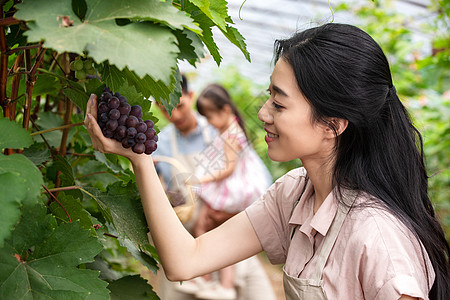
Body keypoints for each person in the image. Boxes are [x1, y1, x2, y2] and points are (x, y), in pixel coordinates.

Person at [84, 23, 450, 300]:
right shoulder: (293, 194)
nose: (262, 113)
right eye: (268, 97)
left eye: (279, 103)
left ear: (332, 125)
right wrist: (140, 160)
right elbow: (185, 259)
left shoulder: (378, 238)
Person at [151, 75, 277, 300]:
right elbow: (167, 197)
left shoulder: (218, 129)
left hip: (232, 236)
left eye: (179, 105)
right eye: (164, 109)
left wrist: (229, 212)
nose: (174, 115)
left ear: (190, 96)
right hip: (188, 243)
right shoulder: (160, 146)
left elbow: (258, 183)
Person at [185, 83, 272, 299]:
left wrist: (202, 178)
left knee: (207, 230)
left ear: (224, 110)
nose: (210, 123)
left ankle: (217, 282)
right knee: (208, 230)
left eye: (210, 116)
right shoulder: (230, 128)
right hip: (233, 186)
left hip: (231, 188)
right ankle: (211, 281)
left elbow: (228, 169)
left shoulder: (231, 134)